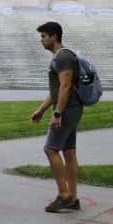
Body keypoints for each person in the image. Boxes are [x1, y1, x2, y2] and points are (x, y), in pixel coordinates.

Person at [31, 21, 83, 213]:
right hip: (70, 108)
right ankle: (73, 197)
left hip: (67, 110)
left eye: (44, 36)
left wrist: (57, 113)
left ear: (54, 36)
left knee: (50, 149)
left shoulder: (62, 58)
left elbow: (65, 86)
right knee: (68, 152)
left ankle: (64, 195)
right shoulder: (59, 57)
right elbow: (56, 89)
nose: (41, 40)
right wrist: (42, 109)